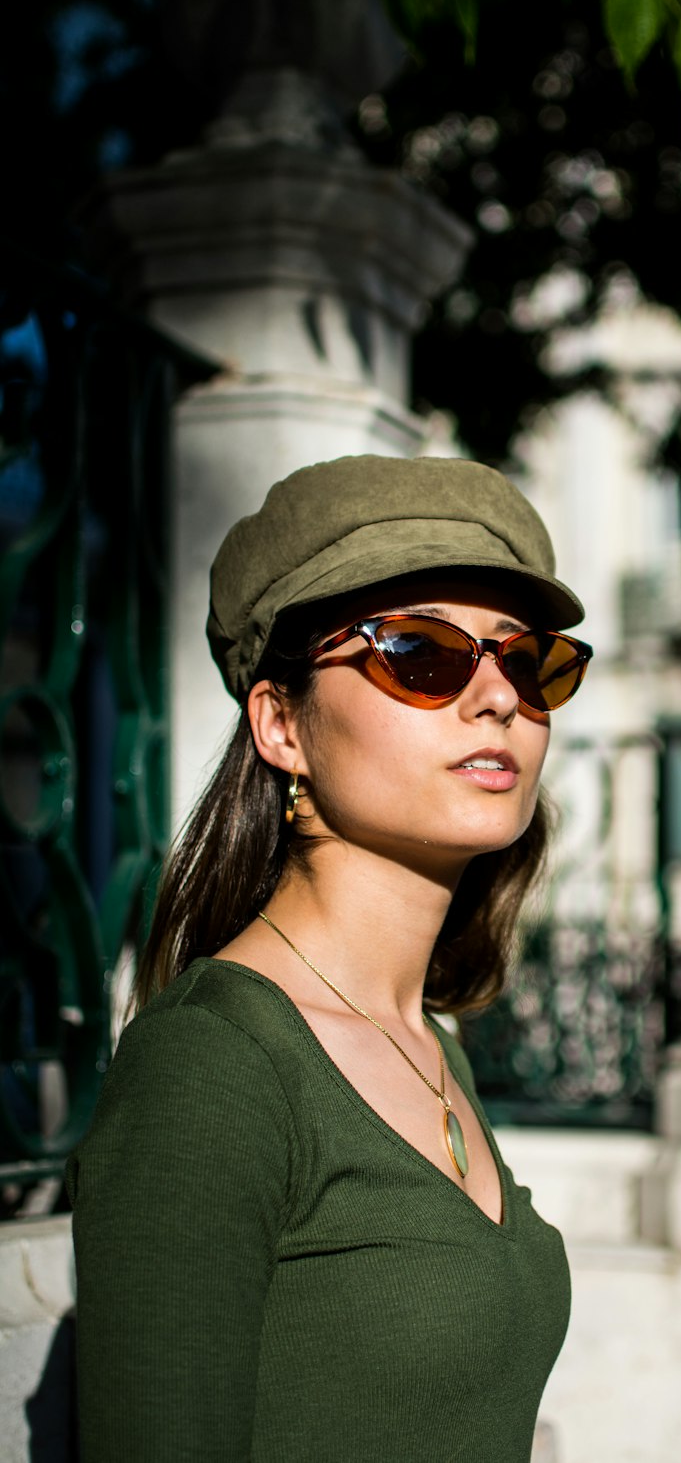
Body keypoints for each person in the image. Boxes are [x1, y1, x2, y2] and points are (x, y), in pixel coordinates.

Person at [67, 454, 593, 1463]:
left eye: (525, 662)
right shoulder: (213, 1069)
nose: (497, 701)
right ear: (280, 723)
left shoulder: (428, 1044)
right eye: (420, 653)